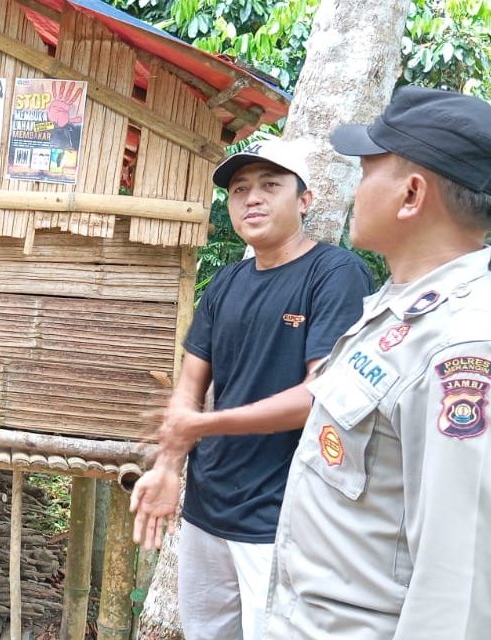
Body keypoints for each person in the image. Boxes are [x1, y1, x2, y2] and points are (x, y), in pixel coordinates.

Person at [263, 86, 491, 639]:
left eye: (368, 170)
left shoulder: (466, 346)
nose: (356, 187)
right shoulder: (396, 312)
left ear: (411, 194)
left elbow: (459, 585)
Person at [129, 138, 373, 640]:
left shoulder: (335, 274)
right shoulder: (226, 283)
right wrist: (170, 466)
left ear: (304, 200)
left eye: (270, 186)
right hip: (207, 505)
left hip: (285, 514)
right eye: (240, 190)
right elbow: (190, 384)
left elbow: (318, 395)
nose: (252, 199)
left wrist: (204, 425)